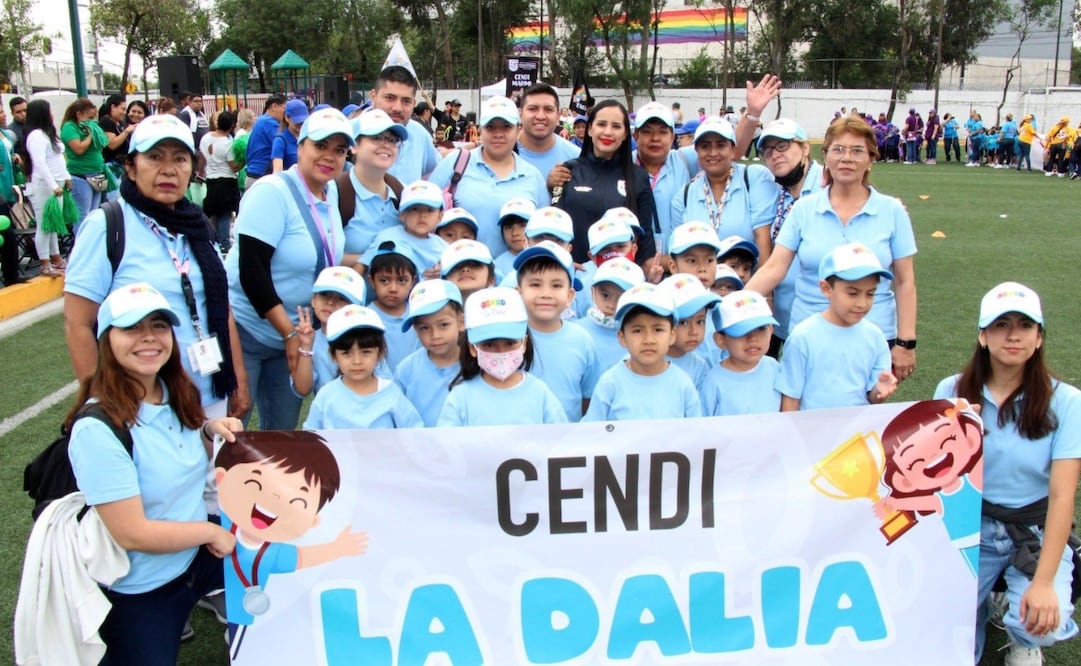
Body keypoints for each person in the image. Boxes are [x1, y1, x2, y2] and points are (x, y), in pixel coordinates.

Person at [66, 282, 243, 665]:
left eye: (159, 326)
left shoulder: (171, 390)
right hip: (141, 588)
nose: (149, 338)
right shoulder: (97, 428)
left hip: (193, 557)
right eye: (132, 327)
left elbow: (181, 446)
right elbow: (133, 533)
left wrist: (210, 430)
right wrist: (212, 532)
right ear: (106, 339)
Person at [933, 282, 1081, 665]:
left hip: (1031, 530)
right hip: (969, 527)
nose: (1013, 335)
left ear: (1038, 338)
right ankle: (979, 607)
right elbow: (933, 481)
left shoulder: (1066, 401)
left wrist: (1044, 583)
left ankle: (1018, 630)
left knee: (1042, 620)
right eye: (1000, 325)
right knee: (941, 636)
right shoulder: (952, 390)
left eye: (1024, 325)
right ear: (983, 336)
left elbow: (1063, 496)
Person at [65, 112, 247, 422]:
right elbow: (78, 323)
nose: (168, 169)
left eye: (180, 159)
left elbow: (219, 307)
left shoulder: (198, 225)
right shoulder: (108, 225)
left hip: (208, 391)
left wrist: (237, 378)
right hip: (139, 402)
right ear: (131, 168)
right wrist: (101, 405)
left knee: (209, 471)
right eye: (154, 157)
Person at [745, 116, 918, 380]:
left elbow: (906, 281)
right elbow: (775, 267)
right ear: (825, 155)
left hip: (874, 333)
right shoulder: (804, 209)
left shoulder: (892, 211)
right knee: (803, 411)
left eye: (857, 150)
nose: (846, 158)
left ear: (871, 158)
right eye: (838, 149)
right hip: (808, 334)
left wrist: (906, 342)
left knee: (863, 416)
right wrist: (735, 306)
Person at [226, 108, 355, 430]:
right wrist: (288, 332)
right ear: (300, 146)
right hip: (248, 332)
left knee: (282, 436)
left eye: (339, 150)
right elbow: (252, 272)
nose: (330, 156)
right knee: (231, 424)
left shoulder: (332, 191)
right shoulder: (272, 191)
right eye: (321, 146)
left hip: (299, 333)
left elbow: (323, 256)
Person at [776, 243, 897, 411]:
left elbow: (872, 396)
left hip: (856, 433)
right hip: (811, 432)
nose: (862, 303)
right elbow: (790, 397)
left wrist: (880, 391)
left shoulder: (875, 336)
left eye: (870, 293)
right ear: (826, 289)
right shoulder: (803, 336)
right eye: (852, 293)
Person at [428, 96, 548, 255]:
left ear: (518, 130)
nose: (498, 134)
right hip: (461, 274)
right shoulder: (455, 164)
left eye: (506, 127)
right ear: (480, 130)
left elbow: (545, 235)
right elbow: (425, 217)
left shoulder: (533, 176)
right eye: (490, 127)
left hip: (516, 277)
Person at [550, 100, 657, 267]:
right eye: (601, 124)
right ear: (590, 129)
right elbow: (554, 226)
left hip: (621, 279)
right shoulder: (568, 171)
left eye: (616, 126)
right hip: (574, 278)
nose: (608, 132)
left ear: (625, 134)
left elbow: (645, 237)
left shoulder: (638, 177)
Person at [437, 286, 566, 426]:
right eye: (489, 345)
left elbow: (559, 441)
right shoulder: (460, 398)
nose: (500, 352)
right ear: (472, 348)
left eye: (510, 343)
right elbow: (447, 445)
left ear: (524, 342)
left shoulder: (539, 393)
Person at [582, 283, 702, 421]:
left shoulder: (683, 384)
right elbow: (593, 433)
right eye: (637, 330)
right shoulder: (610, 383)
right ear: (622, 337)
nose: (648, 340)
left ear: (672, 335)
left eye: (658, 330)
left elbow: (695, 435)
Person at [757, 118, 825, 356]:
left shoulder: (829, 185)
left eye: (782, 146)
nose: (774, 155)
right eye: (767, 150)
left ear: (805, 148)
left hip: (820, 318)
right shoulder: (775, 192)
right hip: (778, 314)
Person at [302, 304, 423, 430]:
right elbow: (311, 437)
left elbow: (413, 430)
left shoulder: (390, 392)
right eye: (346, 353)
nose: (357, 361)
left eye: (366, 352)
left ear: (380, 353)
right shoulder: (326, 396)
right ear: (334, 356)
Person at [671, 117, 775, 262]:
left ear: (733, 150)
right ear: (696, 151)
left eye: (720, 145)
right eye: (705, 146)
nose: (713, 153)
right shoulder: (684, 196)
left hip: (749, 281)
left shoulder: (753, 178)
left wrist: (756, 285)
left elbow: (763, 243)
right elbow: (679, 252)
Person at [515, 241, 598, 422]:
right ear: (518, 292)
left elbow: (587, 397)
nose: (546, 293)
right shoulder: (509, 339)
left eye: (556, 285)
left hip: (568, 445)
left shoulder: (582, 340)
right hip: (519, 443)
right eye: (535, 284)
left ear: (570, 296)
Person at [339, 108, 408, 268]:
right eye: (376, 138)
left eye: (392, 140)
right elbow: (322, 257)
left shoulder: (402, 192)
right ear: (354, 145)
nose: (386, 145)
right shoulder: (335, 192)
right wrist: (376, 258)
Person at [395, 279, 465, 426]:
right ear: (415, 329)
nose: (435, 335)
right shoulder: (406, 369)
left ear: (461, 322)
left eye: (443, 325)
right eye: (425, 328)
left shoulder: (476, 363)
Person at [701, 289, 781, 415]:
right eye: (742, 331)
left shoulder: (774, 367)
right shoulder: (713, 381)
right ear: (721, 340)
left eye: (760, 328)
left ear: (771, 331)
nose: (753, 338)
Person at [291, 266, 367, 397]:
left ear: (357, 307)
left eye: (342, 298)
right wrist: (306, 347)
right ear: (313, 300)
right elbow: (302, 389)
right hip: (326, 415)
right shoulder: (310, 340)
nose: (331, 302)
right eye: (325, 295)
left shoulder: (368, 339)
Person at [22, 99, 70, 276]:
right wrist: (53, 185)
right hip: (44, 187)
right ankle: (44, 262)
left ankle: (56, 258)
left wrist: (66, 178)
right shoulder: (36, 136)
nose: (52, 114)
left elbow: (58, 158)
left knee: (53, 224)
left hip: (57, 184)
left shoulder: (48, 134)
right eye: (49, 110)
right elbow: (40, 164)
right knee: (44, 225)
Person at [572, 256, 645, 372]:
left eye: (621, 297)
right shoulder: (575, 331)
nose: (611, 305)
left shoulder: (644, 338)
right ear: (593, 291)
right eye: (605, 295)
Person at [359, 180, 447, 275]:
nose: (422, 215)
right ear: (402, 214)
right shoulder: (388, 237)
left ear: (440, 216)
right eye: (415, 209)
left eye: (430, 210)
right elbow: (362, 265)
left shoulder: (443, 248)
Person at [632, 101, 691, 241]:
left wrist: (752, 116)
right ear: (635, 136)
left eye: (662, 132)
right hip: (632, 258)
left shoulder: (685, 160)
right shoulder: (622, 165)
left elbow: (731, 151)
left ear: (672, 137)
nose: (655, 139)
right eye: (647, 131)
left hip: (676, 259)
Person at [369, 66, 440, 183]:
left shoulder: (419, 135)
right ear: (373, 96)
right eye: (389, 98)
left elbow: (438, 174)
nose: (397, 108)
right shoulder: (349, 133)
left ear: (414, 104)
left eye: (406, 101)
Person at [660, 273, 719, 387]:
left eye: (700, 322)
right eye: (683, 322)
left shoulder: (699, 366)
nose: (694, 331)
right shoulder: (644, 360)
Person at [60, 97, 108, 233]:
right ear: (79, 114)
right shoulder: (70, 127)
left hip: (97, 173)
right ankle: (80, 246)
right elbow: (78, 149)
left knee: (94, 214)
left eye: (94, 118)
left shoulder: (89, 126)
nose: (92, 121)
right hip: (81, 176)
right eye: (89, 117)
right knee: (83, 215)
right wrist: (91, 136)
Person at [514, 83, 580, 180]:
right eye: (532, 109)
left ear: (558, 116)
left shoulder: (576, 157)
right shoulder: (503, 154)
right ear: (521, 114)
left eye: (548, 109)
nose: (540, 116)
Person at [200, 110, 241, 254]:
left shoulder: (205, 138)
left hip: (211, 178)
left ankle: (213, 239)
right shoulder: (228, 143)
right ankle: (224, 243)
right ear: (232, 126)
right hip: (226, 180)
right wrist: (243, 162)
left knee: (214, 212)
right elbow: (233, 166)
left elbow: (202, 157)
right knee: (225, 213)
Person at [0, 104, 22, 286]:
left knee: (9, 234)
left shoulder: (5, 134)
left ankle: (11, 276)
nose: (3, 115)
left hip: (7, 186)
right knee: (7, 233)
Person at [243, 95, 286, 185]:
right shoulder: (269, 123)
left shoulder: (262, 121)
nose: (287, 113)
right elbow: (285, 144)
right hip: (261, 176)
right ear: (274, 107)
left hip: (256, 174)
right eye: (284, 108)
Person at [270, 99, 307, 174]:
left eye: (303, 122)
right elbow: (277, 171)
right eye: (298, 122)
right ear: (287, 118)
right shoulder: (280, 140)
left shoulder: (309, 138)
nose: (301, 125)